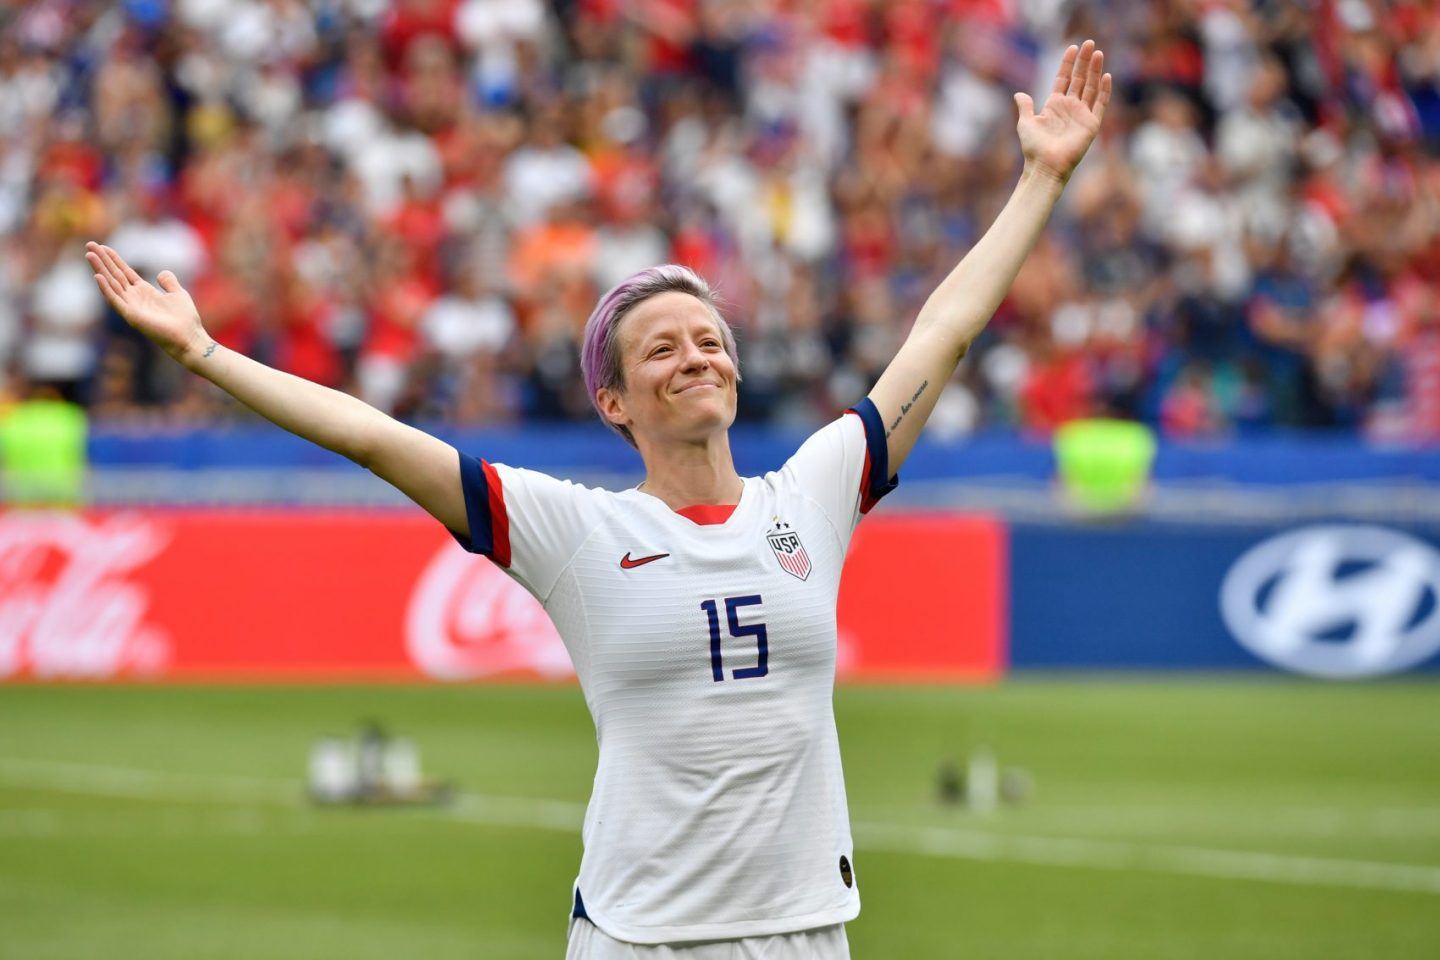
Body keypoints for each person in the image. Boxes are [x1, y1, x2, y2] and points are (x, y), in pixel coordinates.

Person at [87, 41, 1110, 960]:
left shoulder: (815, 495)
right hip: (640, 938)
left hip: (805, 932)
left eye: (709, 340)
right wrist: (207, 354)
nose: (694, 356)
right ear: (613, 400)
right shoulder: (574, 531)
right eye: (660, 347)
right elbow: (370, 434)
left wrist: (1040, 179)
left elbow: (941, 335)